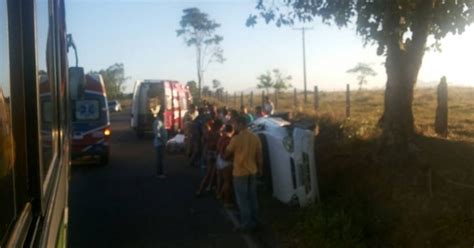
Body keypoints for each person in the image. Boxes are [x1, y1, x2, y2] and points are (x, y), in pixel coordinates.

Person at [226, 116, 263, 231]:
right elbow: (259, 156)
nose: (234, 126)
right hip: (252, 171)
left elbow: (227, 153)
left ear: (241, 124)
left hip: (239, 173)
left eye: (235, 124)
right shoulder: (255, 137)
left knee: (243, 199)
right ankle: (255, 221)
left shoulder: (235, 139)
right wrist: (260, 169)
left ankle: (246, 224)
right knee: (253, 197)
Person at [196, 118, 223, 196]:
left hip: (208, 153)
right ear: (219, 126)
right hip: (215, 154)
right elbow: (219, 146)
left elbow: (203, 142)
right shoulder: (219, 134)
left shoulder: (208, 133)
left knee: (209, 172)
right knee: (213, 173)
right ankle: (202, 189)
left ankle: (205, 188)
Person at [216, 124, 234, 208]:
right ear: (232, 130)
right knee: (227, 182)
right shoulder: (229, 140)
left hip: (219, 160)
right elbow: (227, 154)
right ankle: (226, 201)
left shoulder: (221, 137)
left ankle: (219, 194)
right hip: (226, 162)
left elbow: (218, 149)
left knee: (220, 179)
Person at [153, 105, 168, 179]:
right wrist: (164, 142)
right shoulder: (158, 122)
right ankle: (159, 173)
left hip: (161, 143)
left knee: (161, 159)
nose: (164, 116)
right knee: (160, 159)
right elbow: (158, 134)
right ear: (160, 114)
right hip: (160, 143)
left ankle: (161, 172)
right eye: (163, 114)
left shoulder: (160, 122)